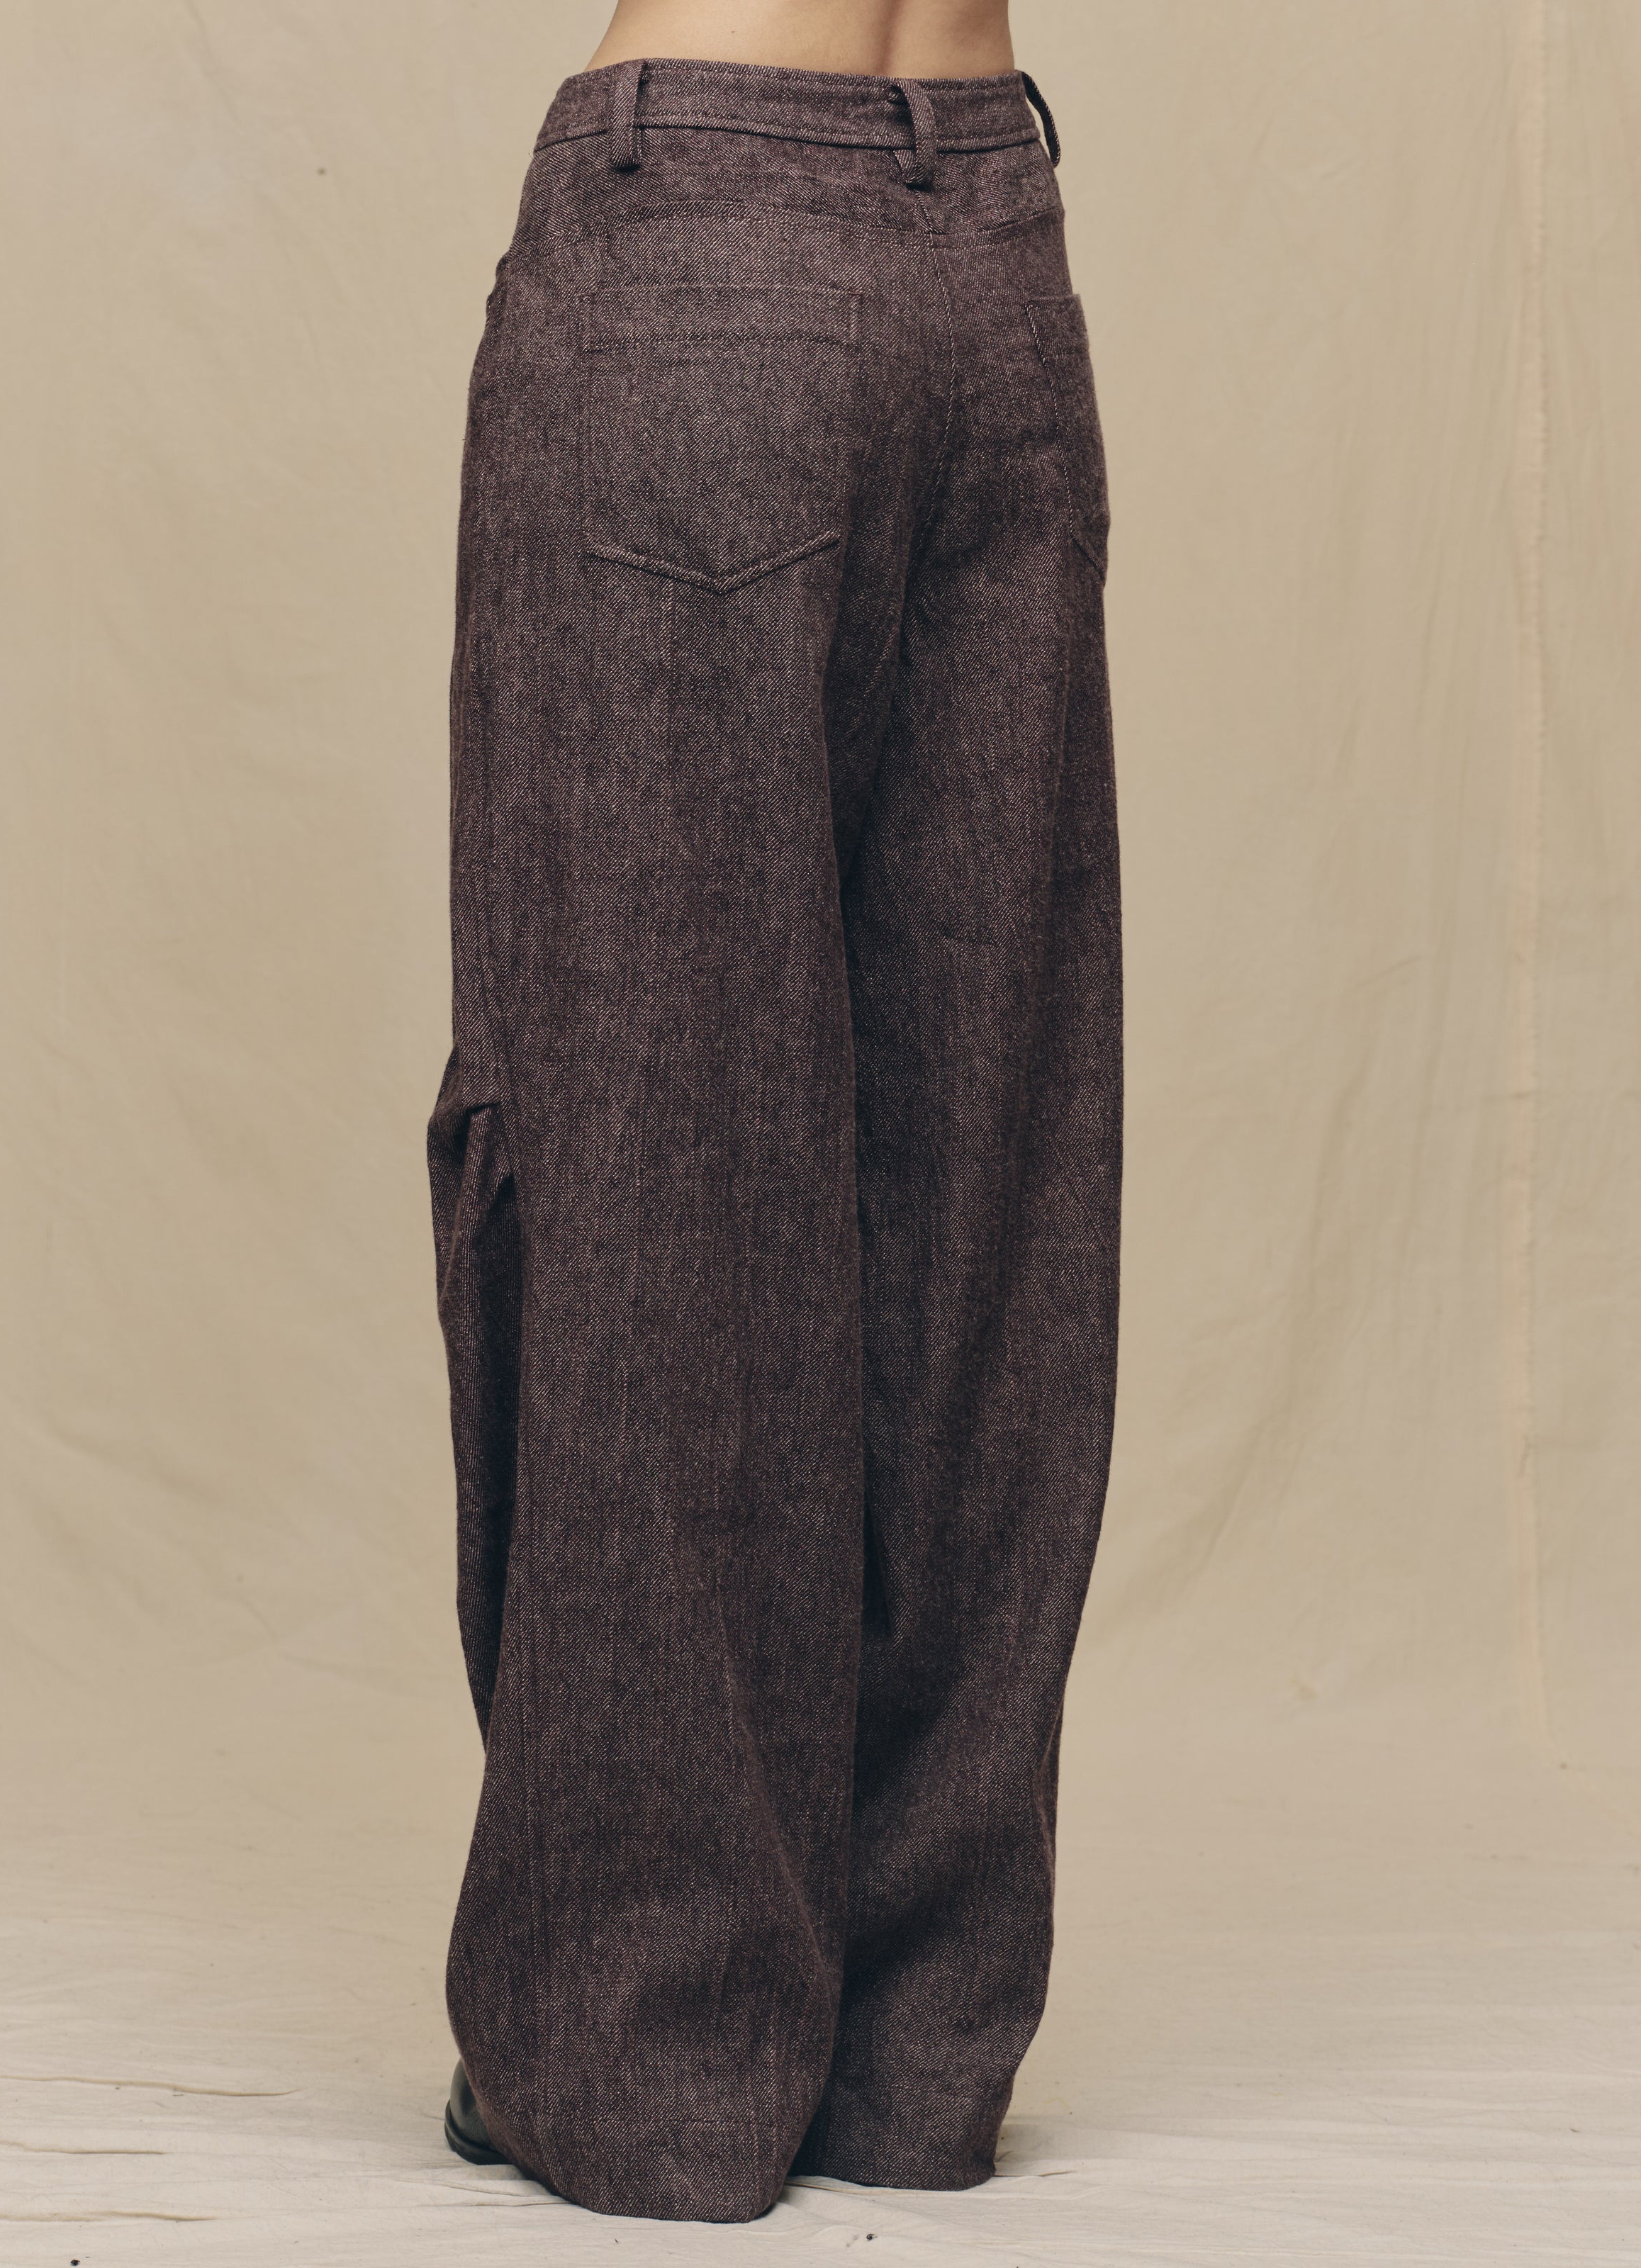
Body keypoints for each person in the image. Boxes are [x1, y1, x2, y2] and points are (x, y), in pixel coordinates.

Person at [427, 0, 1120, 2223]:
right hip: (991, 247)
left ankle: (647, 2047)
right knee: (978, 1184)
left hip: (698, 220)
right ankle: (914, 2048)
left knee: (653, 1160)